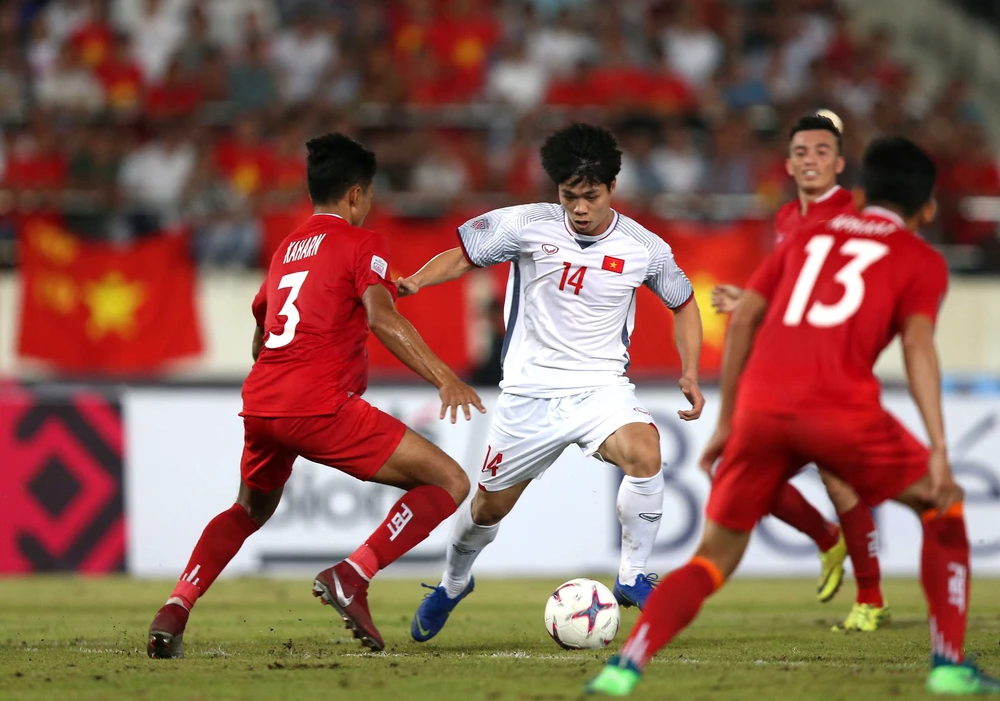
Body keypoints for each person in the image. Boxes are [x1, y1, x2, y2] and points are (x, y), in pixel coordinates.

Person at [587, 137, 1000, 696]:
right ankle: (948, 664)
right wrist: (941, 450)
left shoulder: (808, 235)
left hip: (762, 405)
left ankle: (622, 669)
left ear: (859, 194)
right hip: (840, 406)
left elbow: (745, 317)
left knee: (711, 560)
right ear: (928, 210)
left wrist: (729, 420)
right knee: (941, 503)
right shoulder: (921, 259)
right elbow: (918, 347)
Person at [146, 133, 485, 658]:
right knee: (450, 481)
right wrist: (444, 377)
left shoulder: (286, 250)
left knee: (247, 510)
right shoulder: (362, 242)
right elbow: (381, 318)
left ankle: (176, 606)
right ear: (356, 195)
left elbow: (261, 336)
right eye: (368, 195)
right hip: (320, 404)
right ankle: (354, 574)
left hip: (262, 403)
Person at [396, 123, 705, 642]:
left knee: (645, 451)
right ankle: (453, 583)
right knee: (486, 509)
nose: (579, 208)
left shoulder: (644, 247)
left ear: (612, 187)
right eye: (568, 196)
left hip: (600, 388)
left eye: (591, 196)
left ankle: (632, 576)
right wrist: (416, 280)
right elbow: (462, 256)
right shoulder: (525, 225)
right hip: (528, 395)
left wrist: (690, 370)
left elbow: (684, 302)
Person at [713, 114, 887, 631]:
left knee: (838, 481)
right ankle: (828, 539)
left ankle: (871, 599)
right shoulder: (788, 216)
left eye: (821, 152)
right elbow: (792, 290)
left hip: (832, 368)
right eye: (801, 153)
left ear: (839, 163)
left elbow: (833, 299)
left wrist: (754, 303)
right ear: (788, 165)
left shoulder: (852, 214)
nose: (811, 161)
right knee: (739, 475)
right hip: (784, 369)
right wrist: (753, 300)